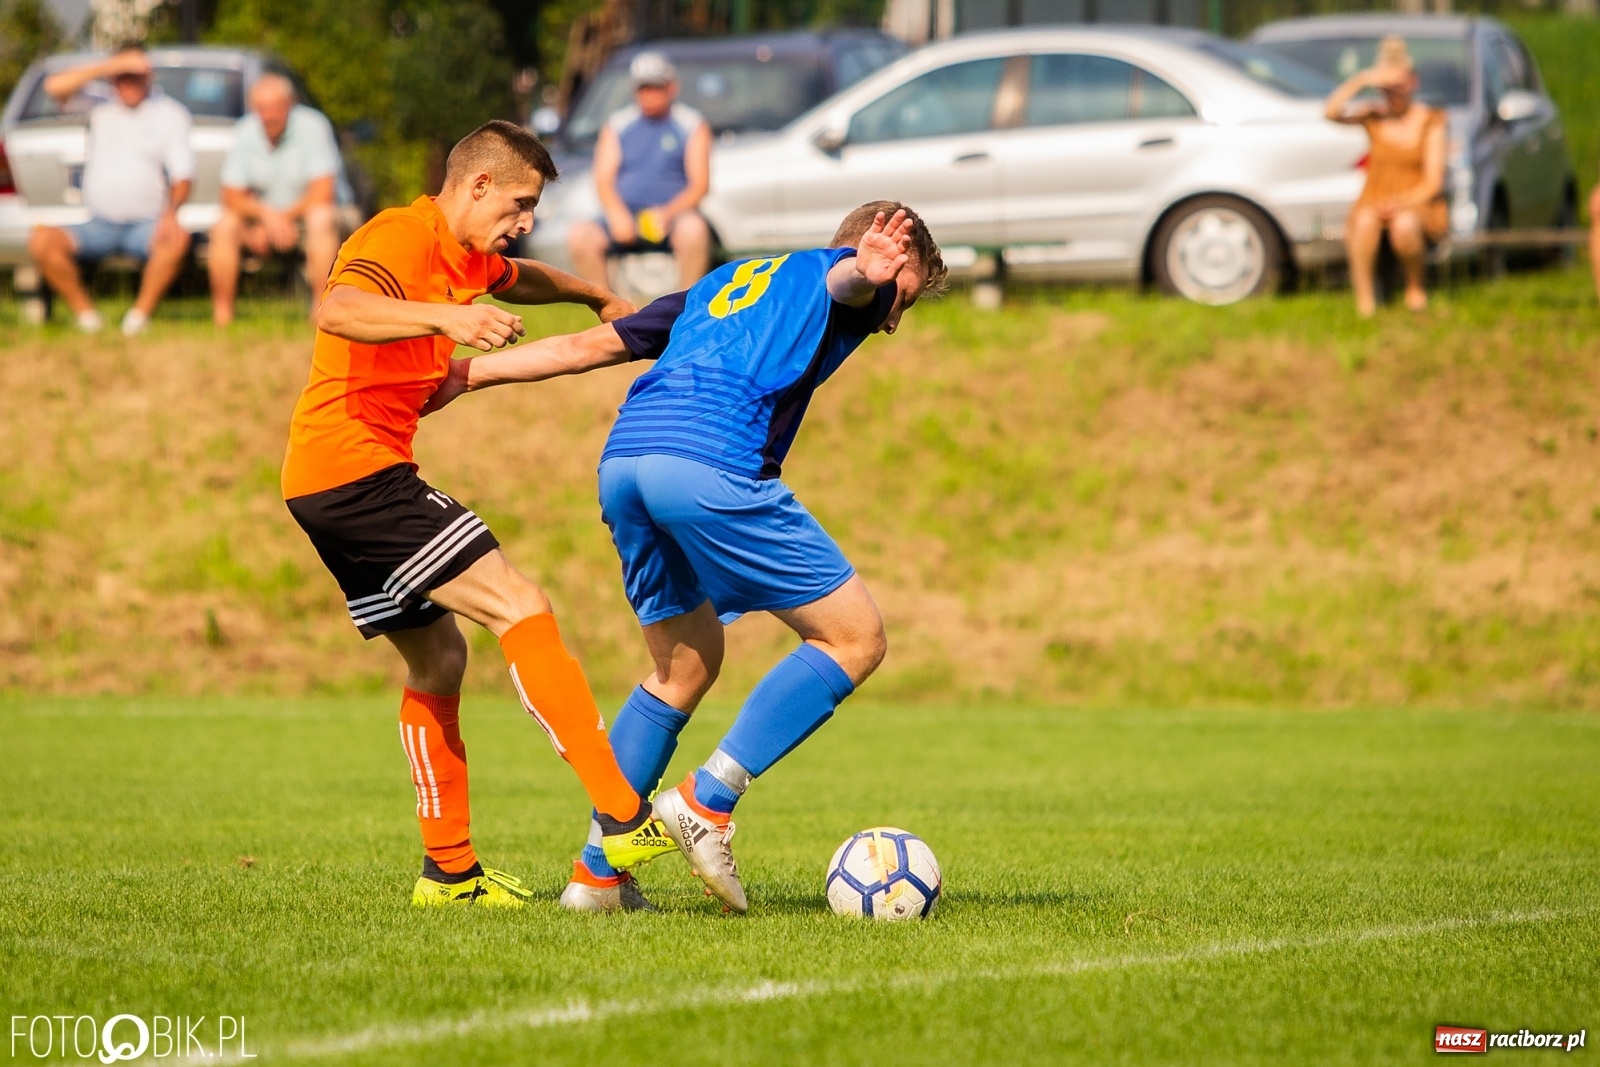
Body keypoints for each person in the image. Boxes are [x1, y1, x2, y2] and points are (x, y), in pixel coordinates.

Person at [424, 201, 944, 913]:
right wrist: (867, 273)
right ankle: (710, 799)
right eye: (903, 298)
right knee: (855, 636)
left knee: (685, 662)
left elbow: (590, 347)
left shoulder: (727, 283)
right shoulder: (841, 279)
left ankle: (597, 875)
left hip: (625, 463)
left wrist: (467, 376)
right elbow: (846, 286)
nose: (891, 319)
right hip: (708, 460)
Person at [282, 119, 676, 909]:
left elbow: (515, 274)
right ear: (478, 185)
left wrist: (593, 294)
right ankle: (622, 811)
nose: (524, 220)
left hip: (326, 480)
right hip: (358, 471)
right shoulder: (400, 235)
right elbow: (338, 308)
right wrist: (445, 320)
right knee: (520, 604)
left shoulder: (469, 254)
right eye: (520, 202)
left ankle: (449, 874)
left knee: (438, 664)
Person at [26, 41, 194, 336]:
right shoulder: (99, 105)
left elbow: (183, 176)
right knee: (42, 241)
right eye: (123, 75)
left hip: (147, 224)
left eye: (136, 74)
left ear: (149, 74)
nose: (129, 81)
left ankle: (138, 319)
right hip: (96, 224)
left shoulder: (169, 113)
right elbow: (53, 87)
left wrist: (171, 213)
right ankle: (87, 316)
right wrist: (110, 65)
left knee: (177, 239)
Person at [567, 52, 713, 293]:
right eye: (644, 88)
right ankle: (606, 306)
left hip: (674, 216)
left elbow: (700, 185)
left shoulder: (691, 124)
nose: (649, 94)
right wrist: (616, 213)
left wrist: (667, 213)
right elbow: (603, 180)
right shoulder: (618, 125)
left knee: (694, 230)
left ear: (671, 87)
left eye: (656, 87)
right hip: (625, 216)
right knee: (580, 236)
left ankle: (686, 306)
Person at [1325, 36, 1448, 318]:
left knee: (1404, 226)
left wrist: (1401, 202)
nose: (1391, 93)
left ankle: (1415, 288)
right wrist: (1362, 80)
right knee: (1365, 221)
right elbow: (1330, 113)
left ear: (1412, 82)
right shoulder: (1374, 115)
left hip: (1416, 199)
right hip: (1375, 197)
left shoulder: (1430, 120)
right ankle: (1365, 300)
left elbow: (1433, 182)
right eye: (1385, 88)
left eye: (1397, 86)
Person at [209, 73, 343, 327]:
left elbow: (323, 191)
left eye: (275, 108)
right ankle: (222, 314)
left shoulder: (314, 126)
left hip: (306, 218)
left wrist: (281, 219)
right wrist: (266, 218)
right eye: (262, 109)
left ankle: (321, 310)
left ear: (290, 104)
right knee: (224, 225)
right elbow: (230, 195)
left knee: (321, 219)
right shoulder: (244, 131)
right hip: (264, 221)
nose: (269, 116)